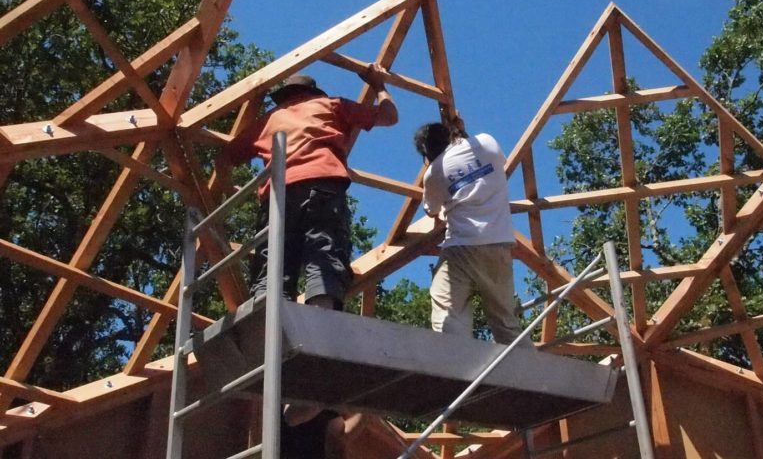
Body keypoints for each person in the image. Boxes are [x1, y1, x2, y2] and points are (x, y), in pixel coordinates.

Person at [215, 65, 397, 310]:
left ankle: (267, 314)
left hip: (277, 195)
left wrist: (229, 188)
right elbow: (389, 116)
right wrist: (379, 86)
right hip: (322, 184)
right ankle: (322, 313)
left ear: (284, 95)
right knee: (324, 248)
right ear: (313, 92)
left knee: (274, 259)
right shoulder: (331, 105)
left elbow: (224, 157)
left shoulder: (269, 120)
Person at [413, 118, 529, 346]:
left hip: (462, 247)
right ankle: (533, 375)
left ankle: (456, 362)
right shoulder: (487, 142)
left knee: (448, 312)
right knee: (505, 322)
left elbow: (431, 211)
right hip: (499, 244)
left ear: (427, 153)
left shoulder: (434, 172)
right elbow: (493, 167)